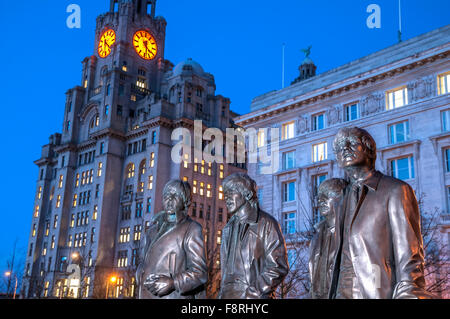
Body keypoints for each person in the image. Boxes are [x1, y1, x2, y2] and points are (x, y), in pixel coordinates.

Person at [330, 127, 432, 299]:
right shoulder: (340, 200)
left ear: (369, 149)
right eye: (340, 146)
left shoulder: (396, 190)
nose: (345, 148)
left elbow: (409, 255)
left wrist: (408, 292)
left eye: (352, 143)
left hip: (376, 291)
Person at [218, 173, 289, 299]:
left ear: (248, 194)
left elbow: (278, 266)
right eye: (225, 193)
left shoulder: (266, 223)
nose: (226, 197)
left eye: (232, 192)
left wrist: (255, 291)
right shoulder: (227, 229)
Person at [136, 180, 207, 299]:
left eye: (175, 195)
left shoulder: (191, 228)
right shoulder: (151, 230)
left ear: (185, 201)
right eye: (167, 195)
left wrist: (173, 282)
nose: (169, 199)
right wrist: (139, 271)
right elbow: (143, 260)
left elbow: (200, 272)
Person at [309, 178, 347, 299]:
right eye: (320, 196)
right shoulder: (317, 235)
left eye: (328, 195)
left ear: (343, 198)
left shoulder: (352, 232)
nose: (321, 200)